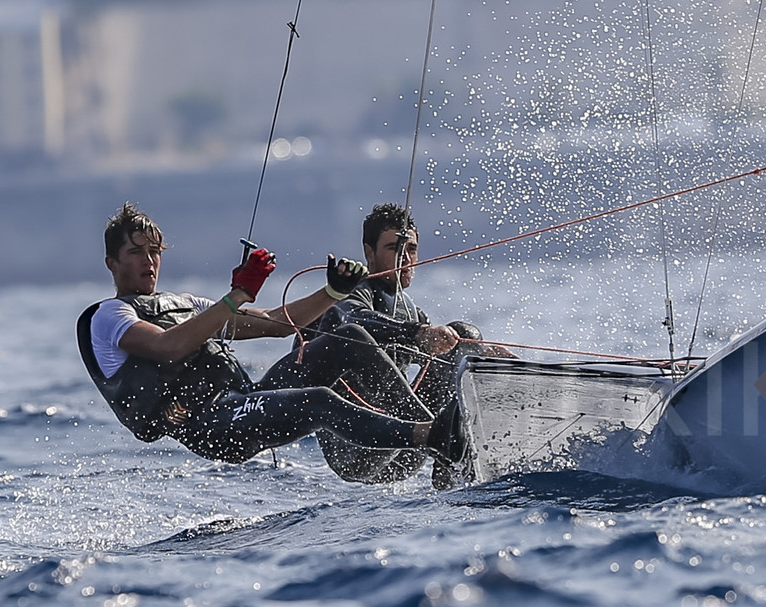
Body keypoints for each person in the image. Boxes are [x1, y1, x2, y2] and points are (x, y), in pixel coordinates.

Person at [76, 203, 467, 470]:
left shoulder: (187, 304)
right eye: (136, 252)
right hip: (210, 425)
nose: (149, 260)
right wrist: (238, 294)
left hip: (245, 399)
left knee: (348, 336)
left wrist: (333, 292)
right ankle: (433, 435)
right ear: (112, 262)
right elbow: (169, 346)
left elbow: (278, 323)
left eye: (155, 251)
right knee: (319, 400)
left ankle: (439, 427)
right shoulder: (109, 316)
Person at [297, 202, 511, 485]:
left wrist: (484, 355)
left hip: (404, 451)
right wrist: (417, 333)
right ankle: (447, 445)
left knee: (463, 336)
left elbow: (441, 358)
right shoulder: (351, 294)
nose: (405, 259)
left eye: (411, 249)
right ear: (369, 252)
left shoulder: (410, 310)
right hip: (357, 450)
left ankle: (458, 476)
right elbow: (354, 318)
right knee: (362, 336)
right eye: (393, 249)